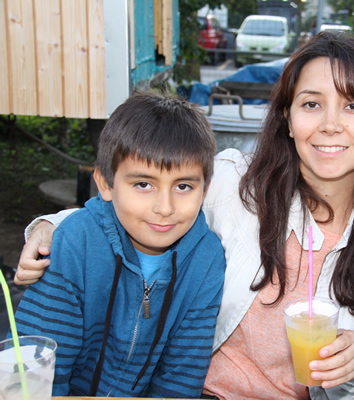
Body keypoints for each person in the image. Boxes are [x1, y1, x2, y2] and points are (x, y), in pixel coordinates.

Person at [15, 31, 354, 399]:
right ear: (287, 118)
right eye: (311, 104)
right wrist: (54, 227)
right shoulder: (237, 185)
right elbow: (143, 198)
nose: (330, 124)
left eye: (353, 106)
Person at [13, 92, 226, 397]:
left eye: (183, 186)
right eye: (143, 184)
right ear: (105, 184)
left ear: (204, 190)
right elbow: (42, 369)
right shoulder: (76, 244)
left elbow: (181, 376)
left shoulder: (207, 260)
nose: (165, 208)